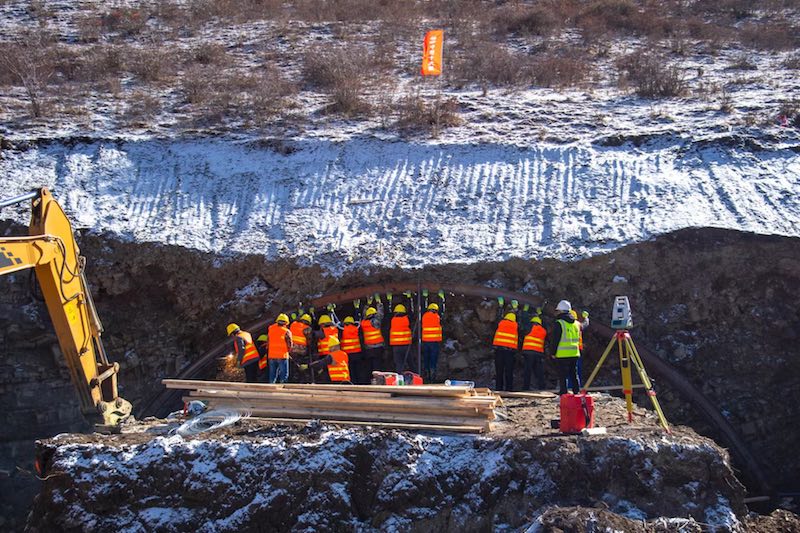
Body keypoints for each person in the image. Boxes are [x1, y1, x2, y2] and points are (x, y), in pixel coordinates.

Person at [547, 300, 581, 395]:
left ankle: (563, 392)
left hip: (562, 354)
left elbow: (555, 340)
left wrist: (552, 353)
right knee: (574, 374)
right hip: (574, 353)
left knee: (563, 375)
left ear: (560, 311)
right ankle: (576, 391)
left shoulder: (559, 323)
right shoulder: (576, 324)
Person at [492, 308, 518, 391]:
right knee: (509, 371)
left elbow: (498, 317)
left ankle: (498, 388)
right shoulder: (515, 325)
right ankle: (509, 389)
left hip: (499, 351)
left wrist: (501, 306)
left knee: (499, 371)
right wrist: (516, 310)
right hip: (509, 352)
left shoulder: (501, 323)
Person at [360, 299, 385, 384]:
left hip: (368, 349)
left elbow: (364, 315)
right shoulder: (375, 322)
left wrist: (368, 304)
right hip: (377, 348)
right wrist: (379, 303)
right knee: (377, 366)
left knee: (369, 366)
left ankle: (369, 381)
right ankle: (377, 381)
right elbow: (380, 315)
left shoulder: (363, 323)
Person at [521, 315, 547, 390]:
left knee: (527, 371)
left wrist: (524, 313)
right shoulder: (543, 330)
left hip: (528, 352)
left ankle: (526, 387)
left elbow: (522, 330)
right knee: (539, 372)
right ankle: (542, 387)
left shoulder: (529, 328)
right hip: (538, 353)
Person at [566, 309, 590, 391]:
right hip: (576, 351)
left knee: (567, 370)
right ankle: (576, 388)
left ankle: (568, 388)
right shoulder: (577, 325)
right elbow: (586, 324)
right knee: (576, 371)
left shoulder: (564, 325)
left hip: (566, 351)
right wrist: (586, 317)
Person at [266, 313, 293, 383]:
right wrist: (288, 352)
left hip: (271, 355)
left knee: (272, 375)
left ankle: (271, 387)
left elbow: (268, 342)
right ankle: (283, 390)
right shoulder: (286, 331)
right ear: (286, 323)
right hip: (282, 356)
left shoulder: (271, 329)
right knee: (284, 375)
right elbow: (290, 344)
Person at [421, 303, 443, 382]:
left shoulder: (424, 316)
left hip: (426, 342)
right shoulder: (436, 317)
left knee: (426, 358)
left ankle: (426, 374)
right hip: (434, 342)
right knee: (433, 359)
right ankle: (432, 375)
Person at [389, 303, 413, 373]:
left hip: (396, 346)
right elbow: (412, 314)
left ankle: (400, 378)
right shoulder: (407, 319)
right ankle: (415, 377)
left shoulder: (393, 320)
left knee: (399, 364)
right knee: (410, 363)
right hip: (406, 345)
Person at [289, 314, 313, 382]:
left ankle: (292, 378)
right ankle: (299, 377)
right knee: (300, 363)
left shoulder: (293, 324)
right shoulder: (308, 328)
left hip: (292, 348)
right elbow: (309, 340)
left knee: (292, 364)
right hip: (302, 349)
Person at [341, 316, 365, 383]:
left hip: (347, 354)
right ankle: (360, 383)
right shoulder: (356, 329)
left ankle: (353, 383)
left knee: (351, 371)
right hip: (357, 353)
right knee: (359, 370)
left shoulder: (343, 330)